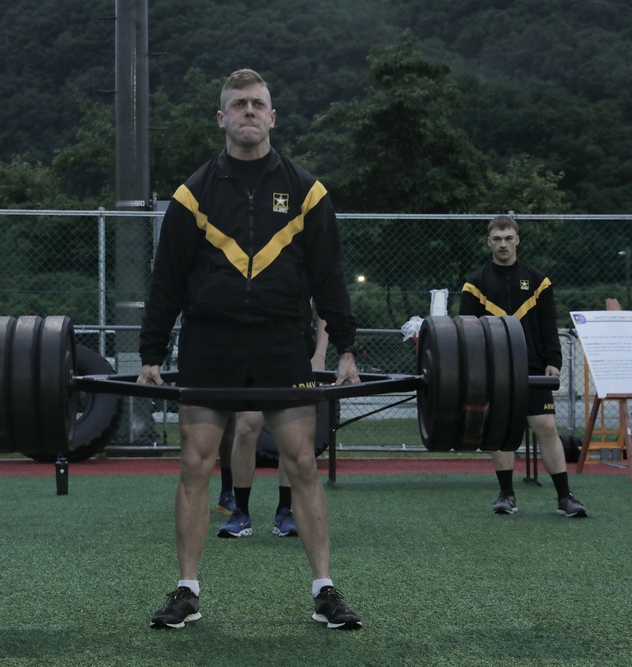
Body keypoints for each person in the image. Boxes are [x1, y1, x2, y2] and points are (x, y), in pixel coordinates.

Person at [137, 68, 362, 630]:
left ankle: (324, 590)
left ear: (273, 116)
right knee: (193, 463)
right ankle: (187, 591)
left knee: (303, 462)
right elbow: (167, 278)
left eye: (258, 104)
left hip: (281, 340)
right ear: (221, 118)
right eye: (238, 105)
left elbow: (330, 276)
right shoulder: (192, 195)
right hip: (210, 341)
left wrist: (347, 350)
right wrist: (150, 353)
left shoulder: (308, 192)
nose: (248, 113)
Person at [459, 215, 588, 518]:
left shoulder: (539, 281)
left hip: (531, 369)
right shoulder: (474, 284)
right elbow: (466, 331)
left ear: (517, 239)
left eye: (508, 238)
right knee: (501, 431)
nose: (503, 244)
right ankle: (506, 495)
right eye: (497, 239)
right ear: (489, 242)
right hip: (494, 370)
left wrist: (553, 362)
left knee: (546, 425)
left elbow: (548, 326)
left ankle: (565, 497)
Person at [217, 317, 328, 539]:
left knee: (291, 432)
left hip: (292, 348)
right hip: (248, 349)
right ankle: (241, 513)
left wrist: (319, 355)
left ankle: (285, 512)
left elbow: (326, 307)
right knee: (246, 426)